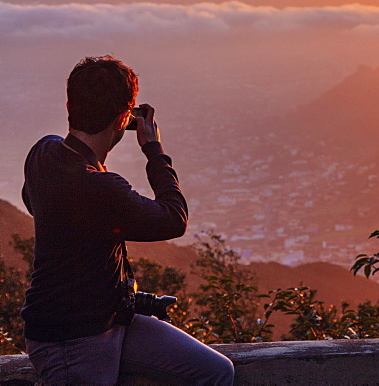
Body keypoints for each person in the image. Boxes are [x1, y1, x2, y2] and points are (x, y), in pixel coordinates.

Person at [21, 56, 234, 386]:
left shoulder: (42, 153)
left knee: (216, 371)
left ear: (68, 105)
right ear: (124, 117)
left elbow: (31, 201)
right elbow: (173, 219)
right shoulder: (102, 187)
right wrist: (154, 150)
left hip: (110, 321)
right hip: (70, 342)